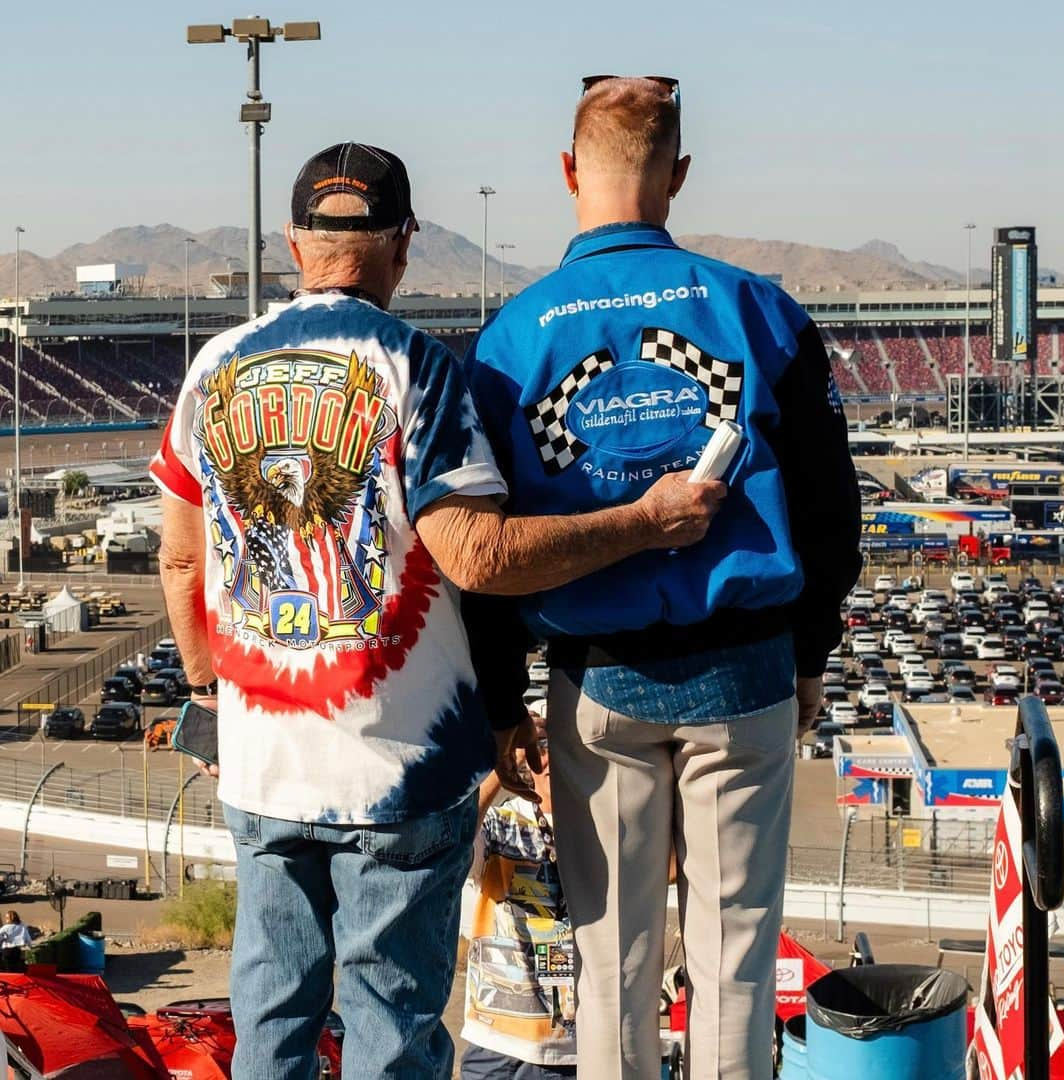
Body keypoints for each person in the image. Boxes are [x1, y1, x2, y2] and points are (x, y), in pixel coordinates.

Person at [152, 142, 725, 1080]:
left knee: (270, 1019)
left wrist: (207, 688)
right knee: (391, 1034)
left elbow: (180, 558)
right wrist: (643, 520)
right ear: (403, 244)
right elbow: (480, 557)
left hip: (263, 765)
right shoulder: (415, 366)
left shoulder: (213, 365)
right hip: (400, 770)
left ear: (294, 242)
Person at [463, 79, 862, 1079]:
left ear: (567, 173)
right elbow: (830, 510)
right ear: (678, 176)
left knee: (613, 964)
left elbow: (485, 547)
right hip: (746, 672)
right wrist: (809, 653)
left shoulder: (514, 339)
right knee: (733, 961)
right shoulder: (758, 310)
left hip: (597, 682)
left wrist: (503, 697)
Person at [460, 714, 576, 1079]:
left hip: (575, 1050)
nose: (551, 758)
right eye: (542, 746)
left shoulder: (604, 827)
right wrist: (501, 762)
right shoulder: (499, 822)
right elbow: (454, 839)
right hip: (497, 1043)